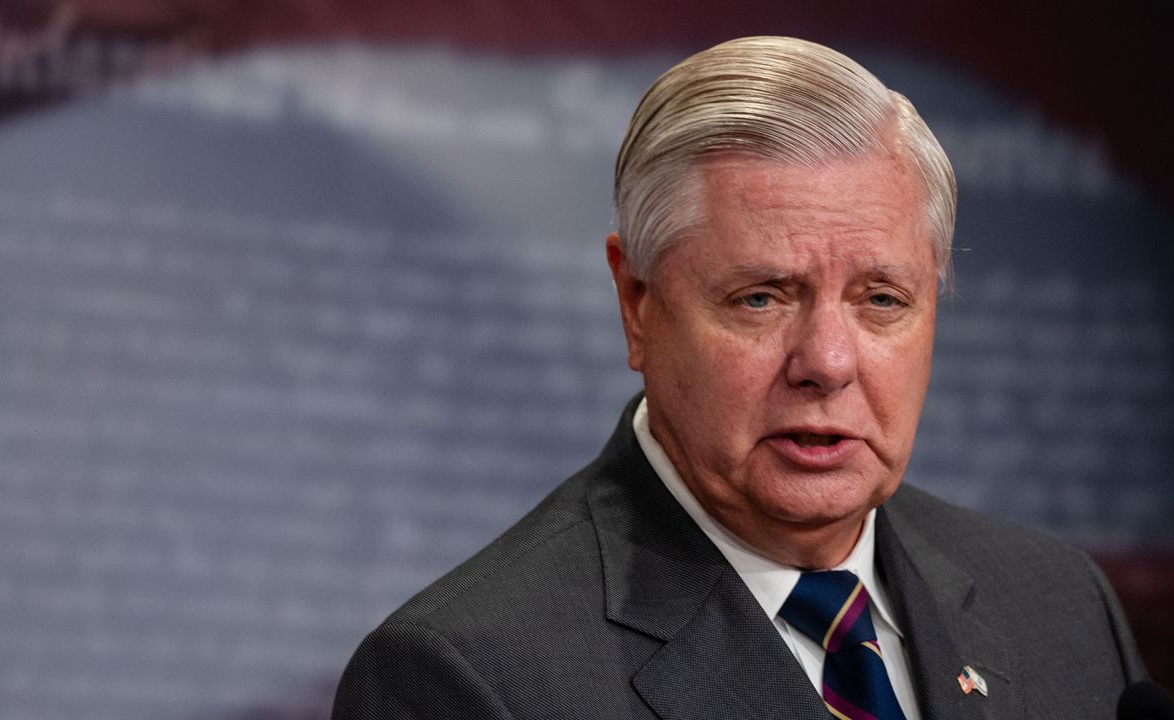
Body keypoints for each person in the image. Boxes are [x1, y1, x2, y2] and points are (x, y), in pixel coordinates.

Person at [332, 36, 1146, 719]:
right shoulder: (468, 679)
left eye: (882, 299)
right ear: (636, 303)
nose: (827, 363)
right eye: (760, 297)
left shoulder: (1060, 607)